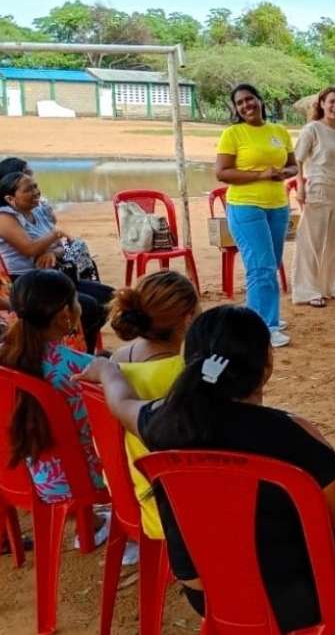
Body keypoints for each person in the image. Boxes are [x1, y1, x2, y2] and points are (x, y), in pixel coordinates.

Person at [83, 306, 335, 635]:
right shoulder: (293, 434)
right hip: (302, 599)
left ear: (190, 363)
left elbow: (121, 403)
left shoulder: (163, 423)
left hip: (208, 593)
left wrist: (106, 370)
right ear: (265, 367)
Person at [108, 270, 200, 540]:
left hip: (128, 490)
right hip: (168, 506)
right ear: (188, 317)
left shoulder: (117, 359)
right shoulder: (182, 375)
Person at [1, 271, 105, 508]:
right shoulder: (82, 368)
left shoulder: (6, 356)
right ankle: (96, 523)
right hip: (80, 482)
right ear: (65, 315)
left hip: (17, 473)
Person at [215, 83, 298, 348]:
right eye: (240, 103)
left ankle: (261, 313)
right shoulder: (233, 134)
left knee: (270, 264)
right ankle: (264, 327)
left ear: (260, 100)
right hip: (245, 206)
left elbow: (293, 165)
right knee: (260, 267)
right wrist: (260, 175)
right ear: (236, 109)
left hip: (278, 205)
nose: (246, 105)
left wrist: (285, 173)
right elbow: (222, 173)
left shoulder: (279, 131)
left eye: (249, 99)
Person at [0, 172, 114, 353]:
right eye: (28, 189)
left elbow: (60, 247)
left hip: (55, 276)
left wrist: (51, 251)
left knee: (109, 297)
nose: (36, 192)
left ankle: (83, 349)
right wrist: (55, 234)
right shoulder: (5, 217)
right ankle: (76, 353)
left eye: (35, 186)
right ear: (9, 198)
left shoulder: (37, 211)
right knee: (89, 306)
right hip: (29, 284)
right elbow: (29, 249)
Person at [291, 87, 335, 308]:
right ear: (322, 103)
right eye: (331, 102)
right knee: (312, 240)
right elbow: (299, 161)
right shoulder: (312, 129)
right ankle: (306, 290)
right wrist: (300, 188)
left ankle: (333, 286)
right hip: (319, 188)